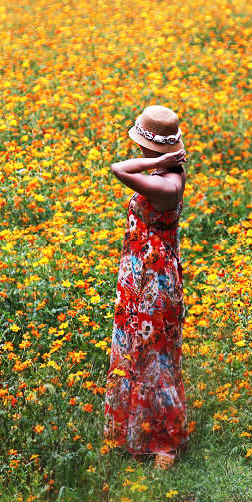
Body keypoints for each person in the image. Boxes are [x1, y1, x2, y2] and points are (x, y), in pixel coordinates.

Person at [103, 105, 190, 470]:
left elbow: (117, 169)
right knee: (136, 352)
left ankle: (165, 445)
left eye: (144, 146)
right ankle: (135, 435)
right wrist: (163, 158)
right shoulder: (163, 171)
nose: (139, 151)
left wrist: (163, 159)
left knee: (157, 358)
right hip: (139, 275)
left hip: (154, 280)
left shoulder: (166, 182)